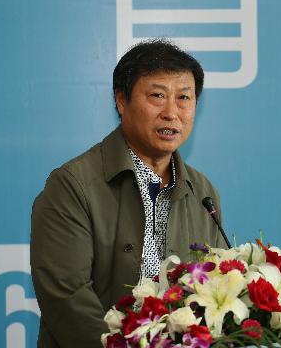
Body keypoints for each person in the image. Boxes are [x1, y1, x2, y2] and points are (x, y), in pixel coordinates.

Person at [30, 39, 228, 348]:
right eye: (157, 96)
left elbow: (214, 288)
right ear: (121, 100)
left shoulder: (202, 191)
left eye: (184, 98)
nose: (171, 112)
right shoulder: (72, 185)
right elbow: (67, 298)